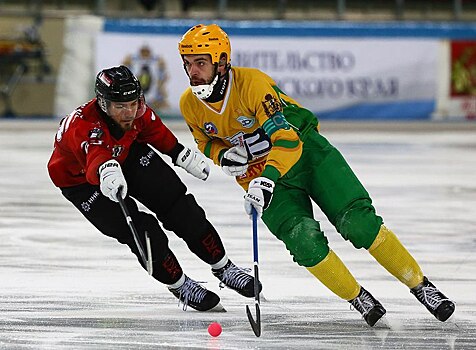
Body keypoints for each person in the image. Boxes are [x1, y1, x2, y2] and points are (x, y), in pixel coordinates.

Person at [177, 24, 455, 326]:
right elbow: (204, 141)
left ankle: (421, 286)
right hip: (262, 179)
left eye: (200, 63)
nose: (193, 71)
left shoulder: (252, 84)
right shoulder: (189, 104)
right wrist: (222, 156)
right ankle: (357, 297)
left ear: (221, 61)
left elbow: (286, 139)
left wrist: (265, 179)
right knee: (303, 241)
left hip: (307, 154)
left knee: (359, 223)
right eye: (188, 64)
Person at [47, 65, 260, 312]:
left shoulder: (137, 112)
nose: (129, 112)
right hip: (82, 180)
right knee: (141, 232)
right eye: (120, 106)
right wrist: (105, 170)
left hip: (127, 154)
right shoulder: (84, 127)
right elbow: (94, 155)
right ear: (104, 105)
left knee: (180, 207)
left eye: (133, 103)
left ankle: (224, 267)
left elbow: (153, 129)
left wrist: (180, 154)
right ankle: (180, 285)